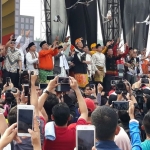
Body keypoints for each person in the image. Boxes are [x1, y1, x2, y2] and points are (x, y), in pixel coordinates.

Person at [43, 76, 88, 150]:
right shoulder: (76, 132)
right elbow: (84, 112)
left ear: (52, 117)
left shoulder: (45, 132)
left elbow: (37, 108)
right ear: (69, 117)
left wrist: (48, 89)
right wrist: (76, 89)